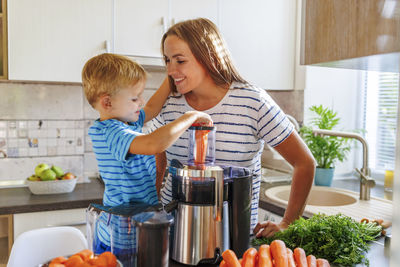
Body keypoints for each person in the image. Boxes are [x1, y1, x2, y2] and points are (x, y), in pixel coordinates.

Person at [151, 18, 316, 238]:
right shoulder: (169, 103)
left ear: (208, 57)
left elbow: (304, 162)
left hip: (232, 238)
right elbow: (160, 157)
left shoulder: (252, 101)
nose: (170, 70)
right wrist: (153, 201)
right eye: (167, 60)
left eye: (180, 61)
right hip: (173, 234)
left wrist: (287, 223)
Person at [81, 53, 212, 262]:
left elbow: (151, 108)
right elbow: (154, 144)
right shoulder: (110, 132)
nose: (140, 102)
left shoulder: (126, 122)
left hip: (137, 225)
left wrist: (173, 76)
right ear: (107, 103)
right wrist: (190, 117)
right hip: (123, 233)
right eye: (134, 98)